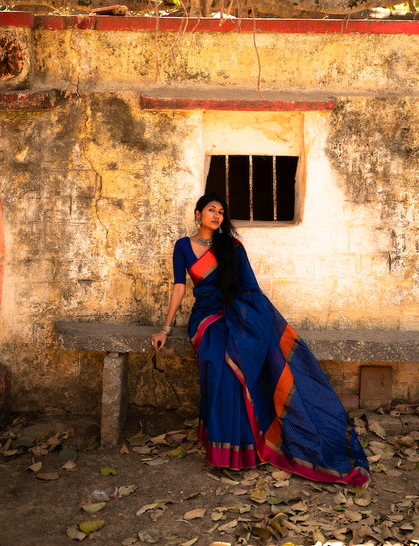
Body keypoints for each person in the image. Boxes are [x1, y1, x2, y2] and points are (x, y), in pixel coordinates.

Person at [151, 192, 369, 487]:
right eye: (211, 210)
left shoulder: (232, 247)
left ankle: (244, 448)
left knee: (241, 359)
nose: (217, 215)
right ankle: (220, 445)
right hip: (205, 316)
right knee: (218, 361)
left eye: (221, 212)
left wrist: (253, 317)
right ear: (198, 213)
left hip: (236, 311)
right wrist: (165, 328)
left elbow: (248, 288)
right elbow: (179, 287)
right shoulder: (183, 247)